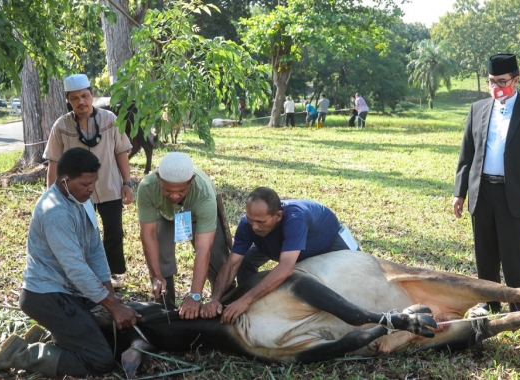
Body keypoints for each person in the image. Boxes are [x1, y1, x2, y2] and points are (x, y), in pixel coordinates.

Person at [0, 148, 139, 377]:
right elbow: (76, 269)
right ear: (64, 181)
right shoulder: (55, 212)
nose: (91, 189)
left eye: (93, 183)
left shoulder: (81, 199)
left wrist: (110, 296)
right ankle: (20, 354)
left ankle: (47, 336)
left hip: (68, 292)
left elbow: (95, 250)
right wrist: (113, 306)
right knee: (100, 361)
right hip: (46, 295)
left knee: (109, 337)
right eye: (85, 184)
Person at [452, 54, 520, 313]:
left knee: (516, 256)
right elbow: (467, 155)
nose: (496, 87)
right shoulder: (478, 109)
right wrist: (459, 193)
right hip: (482, 191)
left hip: (515, 193)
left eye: (502, 81)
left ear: (516, 80)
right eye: (491, 82)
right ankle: (489, 304)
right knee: (485, 254)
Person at [201, 187, 359, 324]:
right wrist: (215, 298)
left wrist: (245, 300)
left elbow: (285, 268)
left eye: (261, 222)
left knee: (357, 275)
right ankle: (253, 307)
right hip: (281, 246)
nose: (254, 226)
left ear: (278, 216)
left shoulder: (295, 218)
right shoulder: (248, 224)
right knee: (245, 261)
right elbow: (231, 265)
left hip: (327, 240)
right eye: (250, 219)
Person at [44, 73, 133, 289]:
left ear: (92, 94)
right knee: (82, 234)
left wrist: (127, 183)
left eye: (84, 96)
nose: (81, 102)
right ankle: (85, 275)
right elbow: (54, 162)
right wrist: (51, 196)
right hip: (76, 192)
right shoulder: (61, 125)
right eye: (75, 98)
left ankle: (112, 273)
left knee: (114, 230)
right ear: (68, 100)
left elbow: (121, 152)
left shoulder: (110, 120)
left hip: (109, 187)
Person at [136, 152, 229, 316]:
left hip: (196, 214)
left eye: (181, 190)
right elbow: (148, 234)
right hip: (165, 214)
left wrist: (194, 294)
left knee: (217, 259)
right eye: (167, 190)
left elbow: (203, 250)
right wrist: (156, 275)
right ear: (158, 178)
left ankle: (220, 303)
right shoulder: (147, 187)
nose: (174, 196)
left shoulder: (204, 195)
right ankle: (166, 306)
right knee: (161, 257)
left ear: (192, 180)